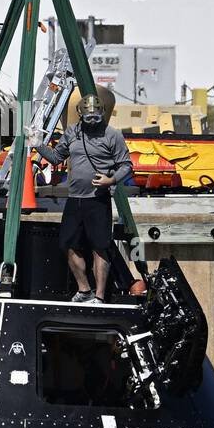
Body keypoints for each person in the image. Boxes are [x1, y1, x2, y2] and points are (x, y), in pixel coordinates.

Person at [34, 92, 134, 303]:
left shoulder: (112, 135)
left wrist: (111, 180)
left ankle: (99, 295)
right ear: (80, 114)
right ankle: (84, 289)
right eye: (88, 117)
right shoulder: (72, 132)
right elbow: (56, 157)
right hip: (75, 198)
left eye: (95, 117)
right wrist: (37, 144)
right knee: (67, 244)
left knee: (100, 246)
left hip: (98, 199)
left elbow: (126, 165)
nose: (91, 121)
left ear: (102, 114)